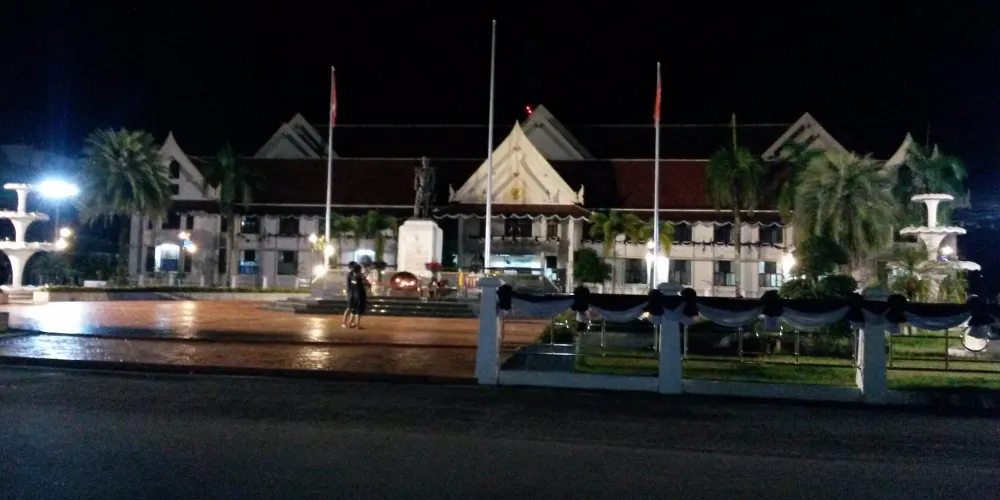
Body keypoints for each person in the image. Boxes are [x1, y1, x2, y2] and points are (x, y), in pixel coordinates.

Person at [348, 263, 368, 329]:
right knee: (359, 310)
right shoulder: (359, 277)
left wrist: (364, 274)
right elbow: (365, 282)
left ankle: (350, 323)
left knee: (354, 310)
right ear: (359, 270)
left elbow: (360, 279)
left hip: (354, 295)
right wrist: (365, 276)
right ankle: (357, 325)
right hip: (360, 295)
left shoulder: (352, 277)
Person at [342, 261, 358, 328]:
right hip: (351, 293)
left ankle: (351, 323)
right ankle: (343, 323)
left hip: (355, 292)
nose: (356, 267)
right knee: (349, 308)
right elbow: (354, 281)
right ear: (351, 267)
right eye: (354, 266)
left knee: (354, 308)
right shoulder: (350, 274)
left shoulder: (354, 273)